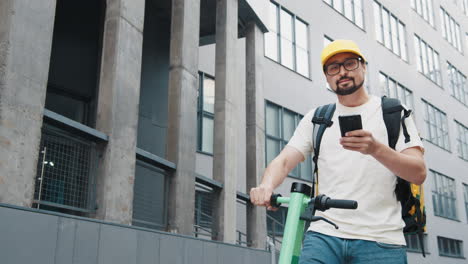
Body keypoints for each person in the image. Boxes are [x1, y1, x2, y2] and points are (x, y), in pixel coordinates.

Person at [250, 39, 426, 264]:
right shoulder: (318, 118)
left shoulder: (392, 112)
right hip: (324, 235)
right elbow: (284, 160)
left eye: (350, 64)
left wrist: (376, 149)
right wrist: (266, 185)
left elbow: (418, 173)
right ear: (327, 76)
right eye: (333, 67)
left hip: (381, 240)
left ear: (364, 67)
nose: (342, 72)